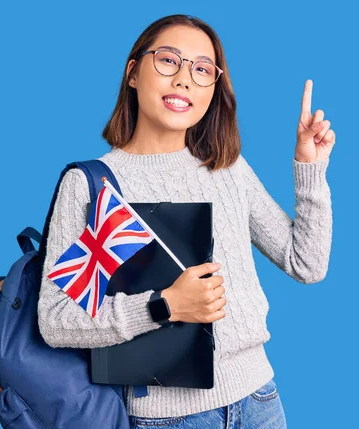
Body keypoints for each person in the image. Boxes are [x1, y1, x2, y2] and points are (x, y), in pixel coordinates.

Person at [37, 14, 334, 429]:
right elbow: (57, 320)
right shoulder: (97, 185)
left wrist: (310, 169)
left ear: (214, 87)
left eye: (201, 69)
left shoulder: (226, 169)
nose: (184, 80)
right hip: (168, 418)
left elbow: (306, 263)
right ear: (133, 73)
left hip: (260, 400)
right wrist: (164, 306)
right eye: (168, 61)